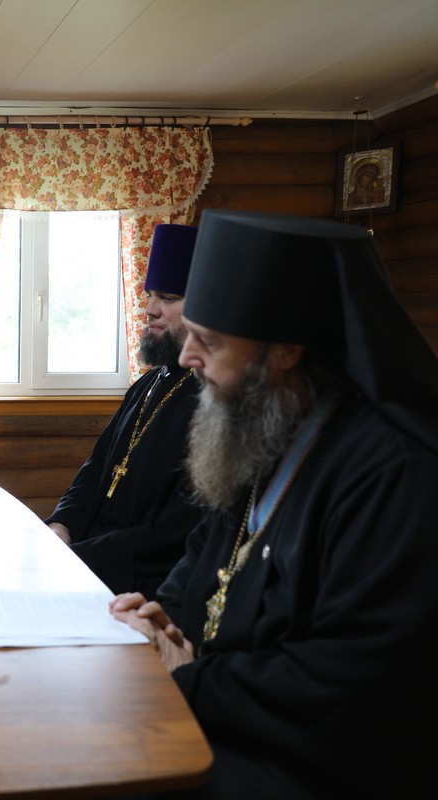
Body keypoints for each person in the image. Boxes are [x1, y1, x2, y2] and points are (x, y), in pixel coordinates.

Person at [110, 210, 438, 798]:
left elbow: (352, 682)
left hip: (315, 769)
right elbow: (201, 561)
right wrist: (164, 620)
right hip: (228, 719)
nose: (186, 357)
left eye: (209, 341)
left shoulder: (395, 472)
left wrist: (190, 674)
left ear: (285, 350)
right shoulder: (265, 427)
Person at [45, 224, 202, 597]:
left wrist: (79, 558)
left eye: (167, 298)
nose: (150, 310)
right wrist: (61, 526)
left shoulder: (211, 404)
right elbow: (96, 469)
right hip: (90, 560)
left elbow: (175, 533)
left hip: (142, 588)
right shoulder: (145, 387)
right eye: (149, 296)